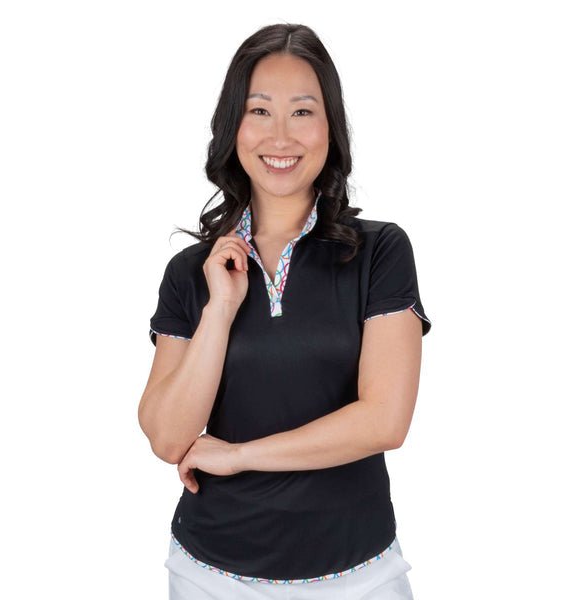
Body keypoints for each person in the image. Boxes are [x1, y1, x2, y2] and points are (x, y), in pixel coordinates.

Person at [138, 23, 432, 600]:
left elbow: (384, 421)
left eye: (302, 111)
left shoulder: (380, 252)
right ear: (233, 126)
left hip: (360, 576)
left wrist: (239, 456)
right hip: (210, 577)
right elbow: (169, 438)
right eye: (259, 111)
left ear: (330, 127)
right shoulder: (192, 273)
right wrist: (220, 310)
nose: (280, 136)